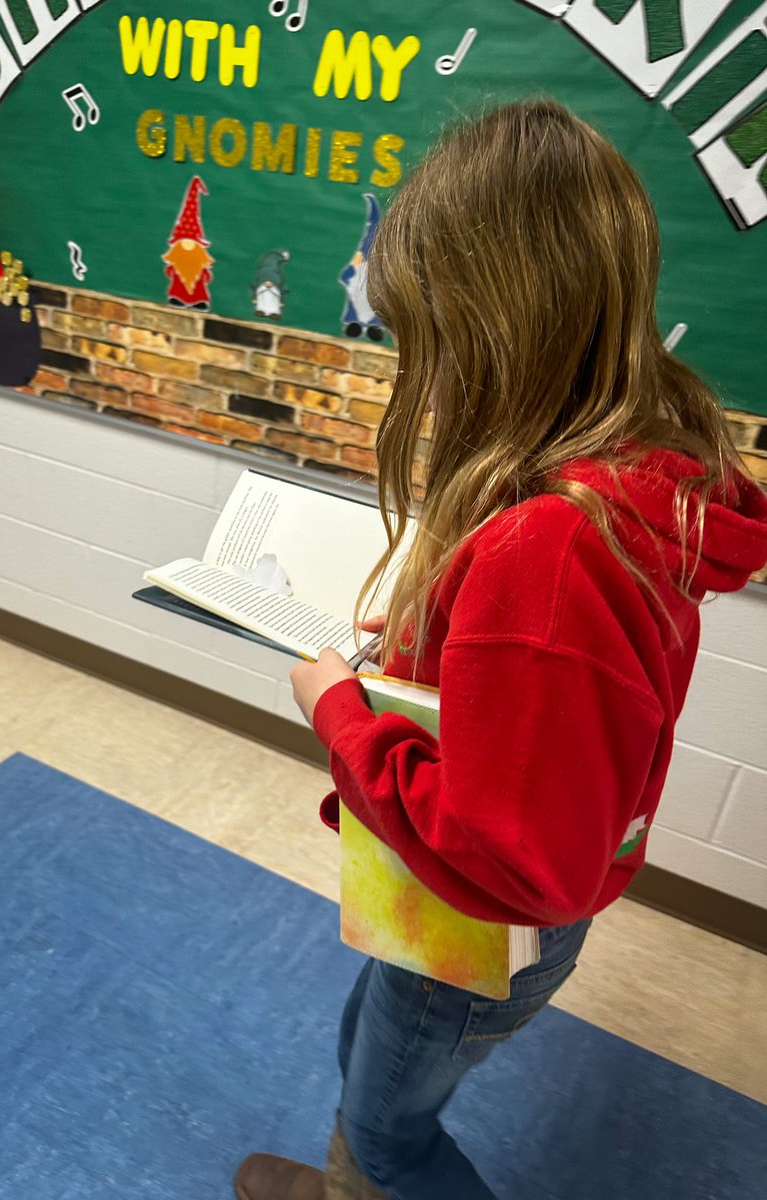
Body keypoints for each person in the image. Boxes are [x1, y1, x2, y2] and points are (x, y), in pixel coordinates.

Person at [233, 100, 767, 1200]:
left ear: (496, 328)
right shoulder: (629, 468)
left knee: (393, 1133)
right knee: (367, 1058)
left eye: (432, 339)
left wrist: (341, 709)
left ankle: (360, 1181)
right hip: (475, 916)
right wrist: (432, 647)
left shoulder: (553, 543)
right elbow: (549, 703)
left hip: (473, 925)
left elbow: (511, 861)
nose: (420, 378)